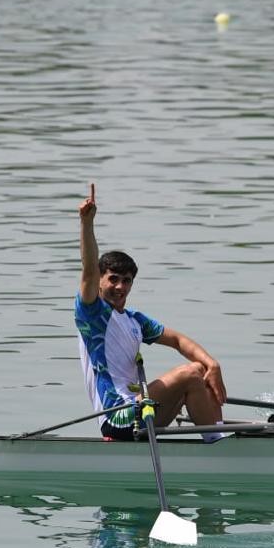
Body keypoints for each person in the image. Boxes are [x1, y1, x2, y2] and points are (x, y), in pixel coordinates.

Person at [75, 184, 227, 441]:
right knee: (190, 373)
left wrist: (213, 365)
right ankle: (218, 446)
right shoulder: (92, 313)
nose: (120, 286)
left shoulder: (135, 320)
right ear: (101, 280)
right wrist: (86, 223)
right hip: (117, 415)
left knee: (202, 370)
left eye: (126, 280)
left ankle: (219, 434)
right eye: (113, 279)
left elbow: (179, 341)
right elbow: (88, 270)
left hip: (141, 410)